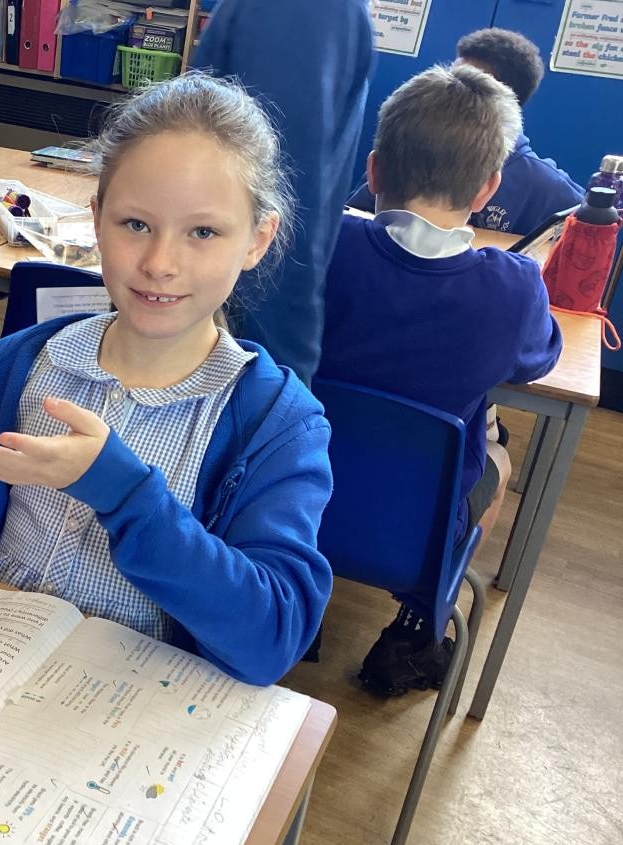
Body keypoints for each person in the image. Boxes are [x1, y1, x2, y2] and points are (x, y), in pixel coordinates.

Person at [0, 73, 333, 687]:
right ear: (96, 219)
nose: (159, 263)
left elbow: (271, 638)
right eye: (135, 224)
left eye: (203, 232)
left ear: (257, 240)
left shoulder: (276, 425)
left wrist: (123, 492)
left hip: (131, 707)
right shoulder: (10, 368)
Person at [319, 64, 562, 696]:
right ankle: (415, 629)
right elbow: (539, 360)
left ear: (373, 171)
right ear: (488, 188)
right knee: (498, 459)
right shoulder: (513, 287)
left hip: (289, 491)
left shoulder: (324, 246)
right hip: (414, 536)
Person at [193, 0, 374, 386]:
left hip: (240, 337)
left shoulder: (299, 8)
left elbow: (280, 193)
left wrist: (275, 378)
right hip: (238, 326)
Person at [348, 28, 584, 236]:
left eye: (463, 85)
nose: (445, 90)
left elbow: (584, 239)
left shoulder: (544, 185)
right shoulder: (411, 145)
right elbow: (357, 214)